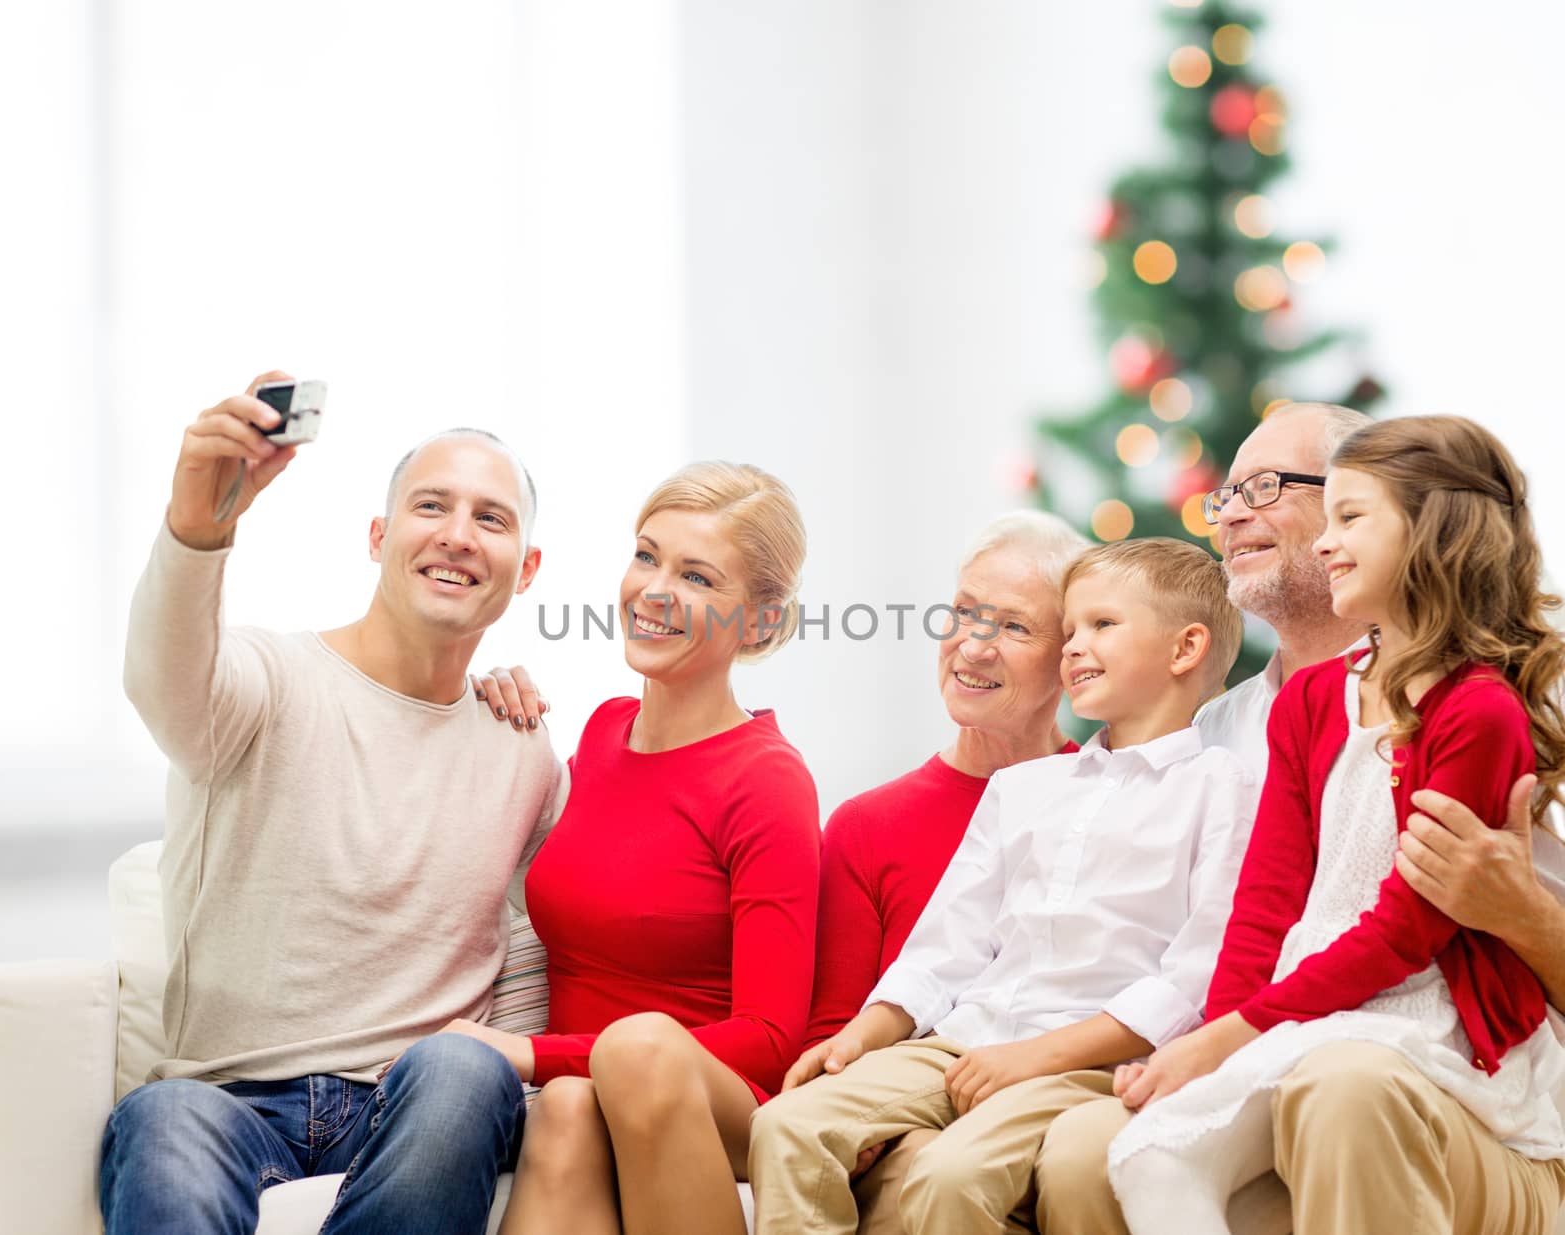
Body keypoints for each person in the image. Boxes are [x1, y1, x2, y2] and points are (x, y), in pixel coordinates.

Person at [1038, 401, 1565, 1235]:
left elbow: (1404, 930)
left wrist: (1527, 914)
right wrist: (1216, 1041)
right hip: (1285, 1022)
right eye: (1227, 492)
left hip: (1433, 1052)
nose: (1233, 509)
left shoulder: (1509, 708)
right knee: (1089, 1150)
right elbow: (1259, 909)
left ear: (1426, 530)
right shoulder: (1236, 726)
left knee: (1343, 1087)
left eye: (1269, 486)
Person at [101, 373, 567, 1235]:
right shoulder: (266, 680)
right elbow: (163, 682)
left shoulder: (523, 746)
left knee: (469, 1072)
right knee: (163, 1121)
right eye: (432, 507)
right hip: (225, 1100)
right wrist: (199, 530)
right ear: (380, 535)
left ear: (526, 568)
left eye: (491, 518)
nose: (458, 536)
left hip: (416, 1103)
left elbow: (530, 952)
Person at [748, 537, 1259, 1235]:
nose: (1074, 647)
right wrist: (862, 1035)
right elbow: (945, 945)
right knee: (786, 1126)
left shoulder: (1223, 787)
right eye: (1070, 629)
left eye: (1100, 625)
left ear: (1184, 648)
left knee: (950, 1176)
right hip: (964, 1039)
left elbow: (1193, 978)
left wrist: (1030, 1057)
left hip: (1083, 1061)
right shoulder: (1022, 789)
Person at [444, 461, 821, 1235]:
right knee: (573, 1108)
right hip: (576, 1092)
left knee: (636, 1052)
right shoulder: (602, 730)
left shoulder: (767, 778)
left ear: (756, 622)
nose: (654, 589)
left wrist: (532, 1055)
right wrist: (471, 698)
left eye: (698, 576)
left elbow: (770, 1039)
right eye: (647, 556)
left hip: (704, 1098)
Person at [780, 510, 1085, 1233]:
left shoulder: (1115, 801)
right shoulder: (868, 825)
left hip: (1055, 1113)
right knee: (932, 1173)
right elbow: (832, 1031)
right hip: (908, 1128)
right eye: (963, 614)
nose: (973, 647)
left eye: (1013, 627)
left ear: (1072, 656)